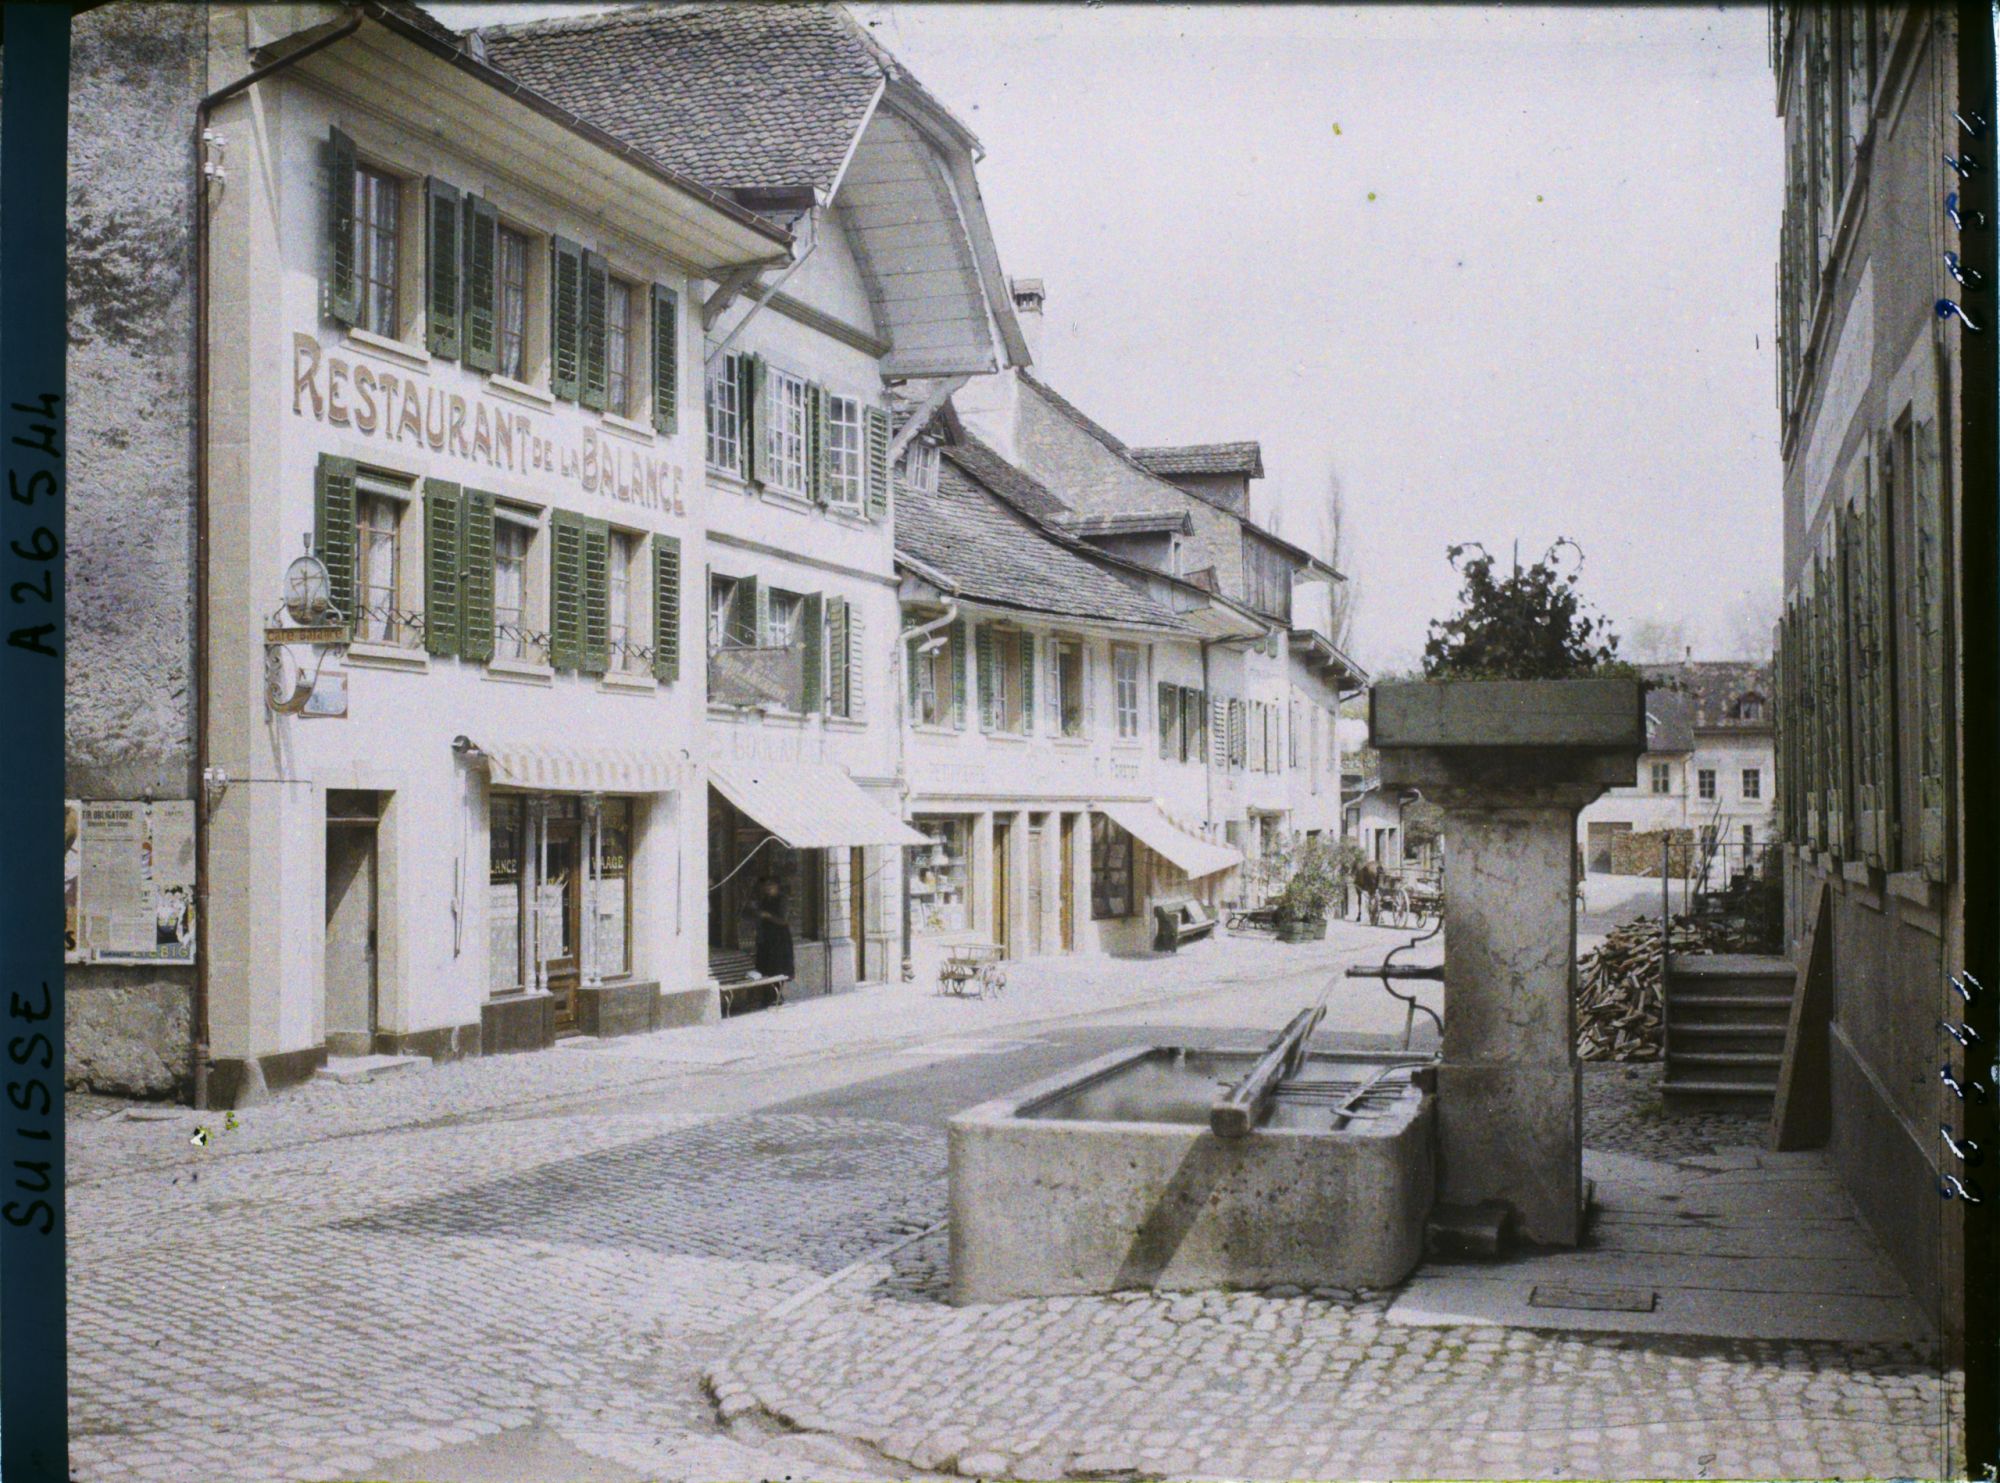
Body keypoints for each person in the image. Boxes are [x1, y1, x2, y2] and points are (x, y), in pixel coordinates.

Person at [753, 876, 794, 984]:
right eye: (766, 886)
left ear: (776, 887)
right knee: (767, 968)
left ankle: (777, 996)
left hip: (780, 939)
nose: (767, 888)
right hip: (767, 939)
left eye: (770, 886)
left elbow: (784, 920)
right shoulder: (765, 899)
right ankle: (769, 996)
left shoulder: (783, 899)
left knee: (778, 968)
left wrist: (767, 915)